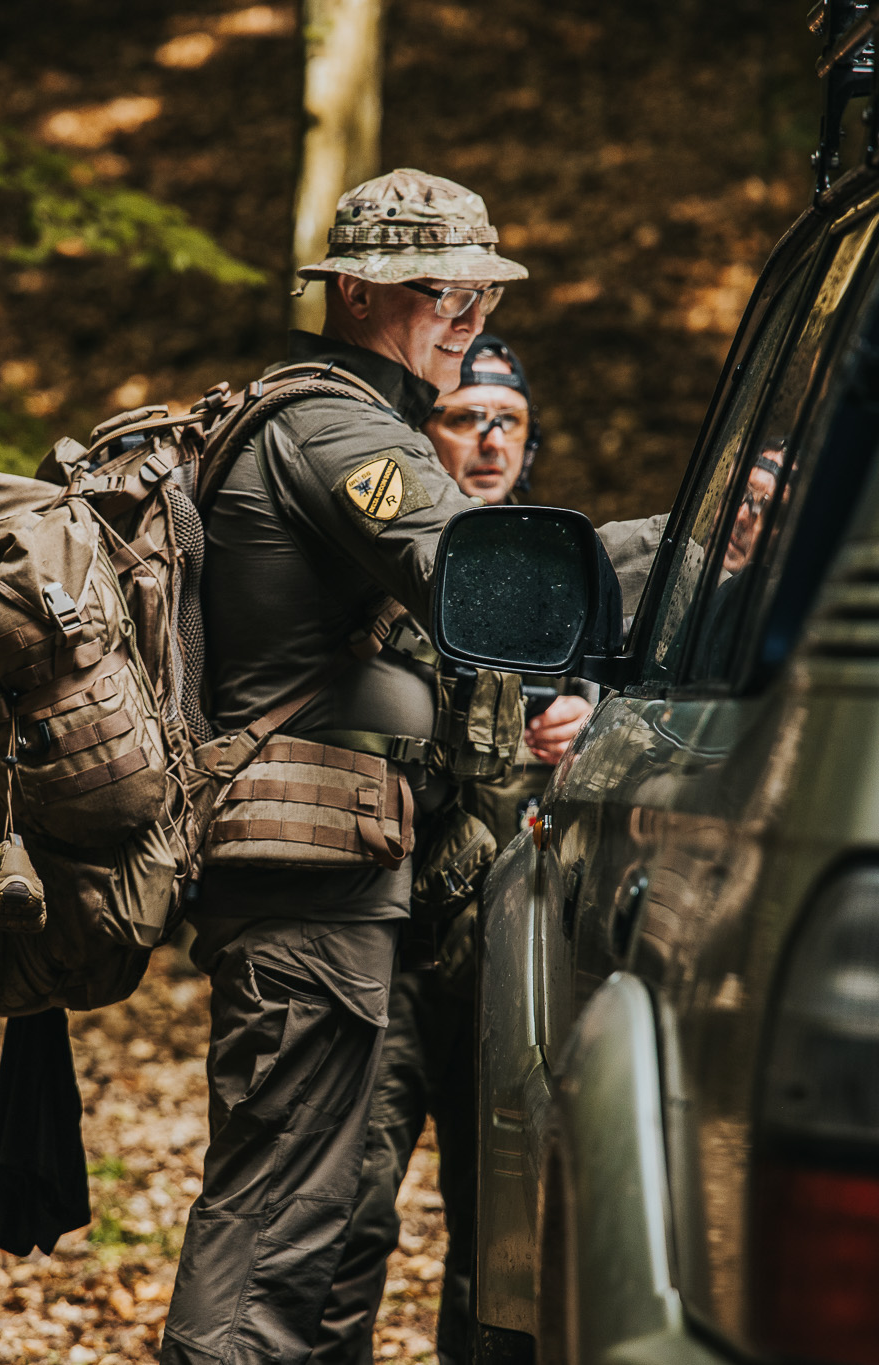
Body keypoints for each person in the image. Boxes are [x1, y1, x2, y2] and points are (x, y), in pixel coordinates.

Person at [158, 169, 530, 1365]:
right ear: (359, 291)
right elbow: (473, 580)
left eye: (481, 298)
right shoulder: (337, 429)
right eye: (446, 296)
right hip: (305, 879)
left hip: (325, 873)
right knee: (277, 1220)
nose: (467, 325)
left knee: (299, 1214)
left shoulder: (319, 415)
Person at [312, 334, 587, 1365]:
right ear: (423, 435)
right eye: (461, 417)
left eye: (503, 421)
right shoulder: (371, 565)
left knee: (502, 1250)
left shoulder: (557, 581)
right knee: (343, 1227)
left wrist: (583, 724)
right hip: (376, 944)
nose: (484, 441)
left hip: (506, 966)